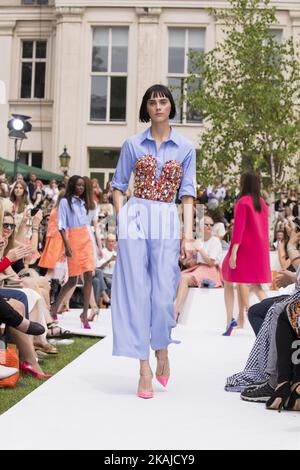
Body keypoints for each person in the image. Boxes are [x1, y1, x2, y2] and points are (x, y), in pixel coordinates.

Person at [111, 84, 196, 399]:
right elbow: (119, 185)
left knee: (162, 295)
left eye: (163, 101)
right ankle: (143, 367)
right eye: (152, 101)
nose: (158, 106)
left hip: (166, 219)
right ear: (146, 108)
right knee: (136, 292)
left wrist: (188, 234)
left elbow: (187, 193)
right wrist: (122, 218)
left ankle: (162, 347)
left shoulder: (186, 147)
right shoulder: (132, 144)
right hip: (135, 216)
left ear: (170, 107)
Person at [221, 171, 271, 335]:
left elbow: (239, 228)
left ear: (244, 183)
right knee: (256, 285)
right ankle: (275, 313)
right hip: (259, 250)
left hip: (244, 248)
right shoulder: (262, 203)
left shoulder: (243, 202)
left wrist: (234, 251)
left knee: (227, 278)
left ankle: (230, 320)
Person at [51, 175, 95, 329]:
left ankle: (84, 315)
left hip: (86, 239)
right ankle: (54, 307)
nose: (80, 188)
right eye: (78, 185)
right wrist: (66, 244)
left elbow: (88, 223)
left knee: (89, 275)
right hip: (73, 239)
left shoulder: (85, 203)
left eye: (83, 186)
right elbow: (61, 225)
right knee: (73, 280)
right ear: (72, 186)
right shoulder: (65, 202)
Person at [174, 215, 223, 321]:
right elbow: (194, 263)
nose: (209, 227)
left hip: (211, 271)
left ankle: (176, 310)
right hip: (198, 268)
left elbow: (210, 262)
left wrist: (200, 249)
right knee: (178, 275)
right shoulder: (198, 241)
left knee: (185, 278)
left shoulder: (215, 241)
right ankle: (169, 307)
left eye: (211, 225)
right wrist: (186, 261)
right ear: (201, 227)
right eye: (207, 225)